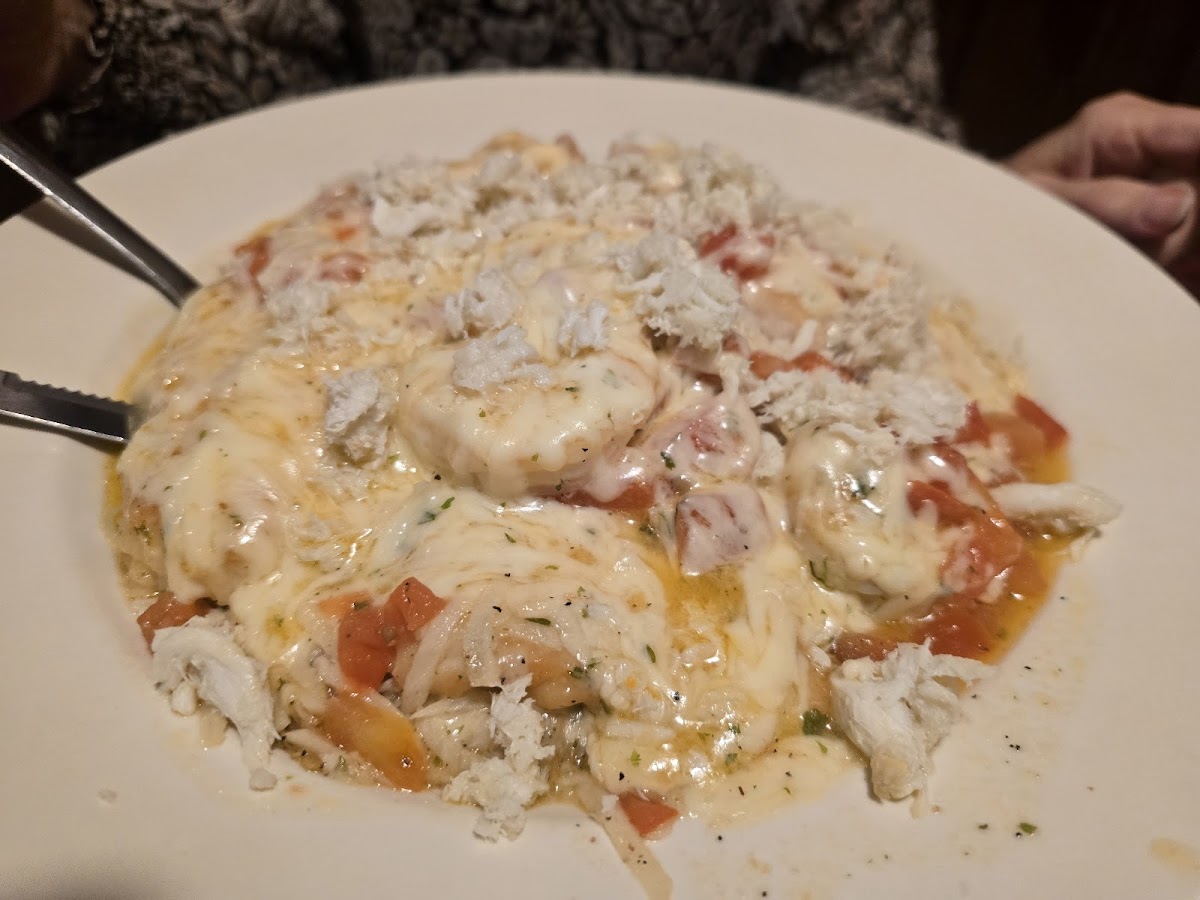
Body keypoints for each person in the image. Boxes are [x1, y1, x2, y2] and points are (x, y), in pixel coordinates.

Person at [3, 0, 1198, 292]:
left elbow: (868, 110)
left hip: (746, 290)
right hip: (388, 268)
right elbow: (250, 57)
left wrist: (988, 209)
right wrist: (59, 40)